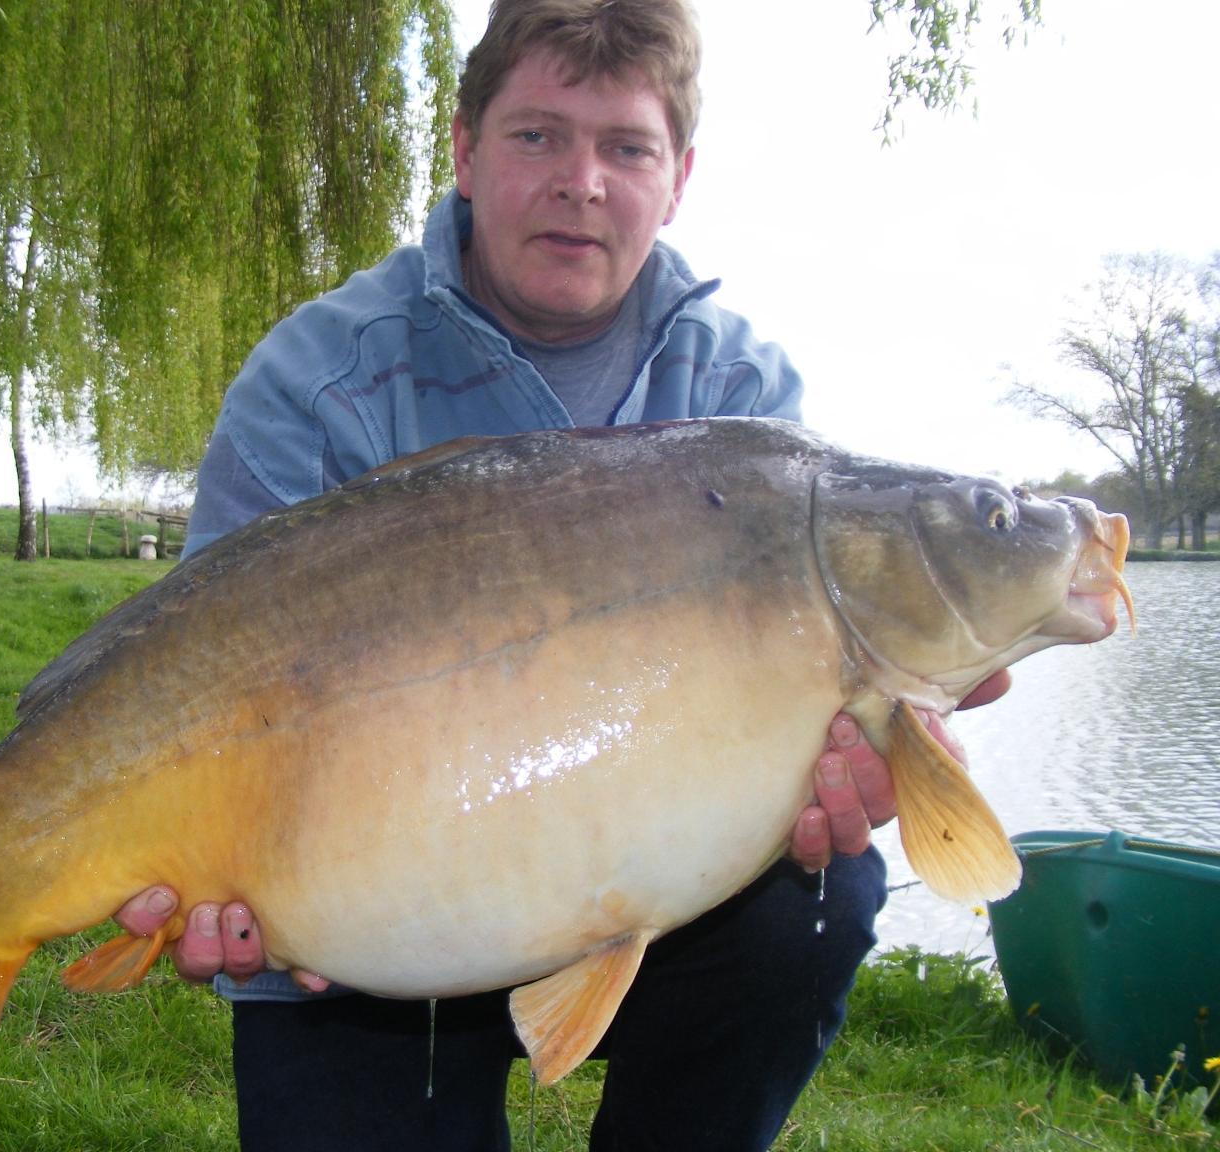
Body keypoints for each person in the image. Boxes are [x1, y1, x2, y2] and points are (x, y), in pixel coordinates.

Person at [114, 1, 1007, 1147]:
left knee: (819, 902)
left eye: (625, 147)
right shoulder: (315, 382)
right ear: (466, 153)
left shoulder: (751, 406)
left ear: (677, 177)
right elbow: (193, 668)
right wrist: (211, 879)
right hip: (362, 933)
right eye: (538, 135)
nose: (581, 181)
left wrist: (873, 762)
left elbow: (837, 755)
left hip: (668, 911)